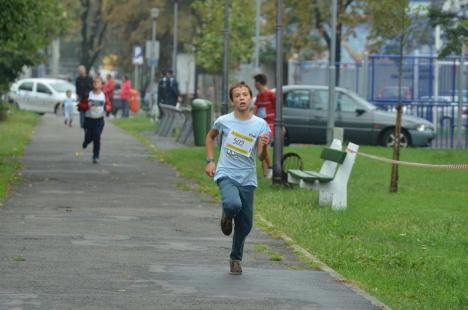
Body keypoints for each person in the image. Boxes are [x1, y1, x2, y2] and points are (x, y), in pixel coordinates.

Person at [205, 81, 270, 275]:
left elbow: (260, 156)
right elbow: (210, 138)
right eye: (237, 95)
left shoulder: (260, 125)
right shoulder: (223, 121)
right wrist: (210, 160)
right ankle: (227, 213)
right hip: (226, 173)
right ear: (232, 100)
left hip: (247, 178)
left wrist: (265, 146)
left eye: (245, 94)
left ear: (251, 98)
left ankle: (235, 258)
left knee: (246, 224)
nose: (241, 98)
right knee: (233, 204)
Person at [78, 77, 112, 164]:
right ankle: (86, 141)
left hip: (99, 120)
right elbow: (80, 106)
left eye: (98, 82)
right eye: (94, 82)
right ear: (92, 84)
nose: (96, 83)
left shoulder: (104, 95)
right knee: (89, 137)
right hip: (89, 120)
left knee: (97, 137)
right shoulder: (88, 94)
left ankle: (95, 156)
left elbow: (108, 105)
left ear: (101, 85)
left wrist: (107, 108)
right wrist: (86, 105)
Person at [253, 74, 275, 178]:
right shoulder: (259, 96)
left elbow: (278, 109)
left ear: (258, 83)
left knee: (262, 144)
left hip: (270, 125)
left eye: (255, 82)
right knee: (261, 147)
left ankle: (270, 168)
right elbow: (255, 111)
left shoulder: (271, 94)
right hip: (260, 126)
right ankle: (266, 174)